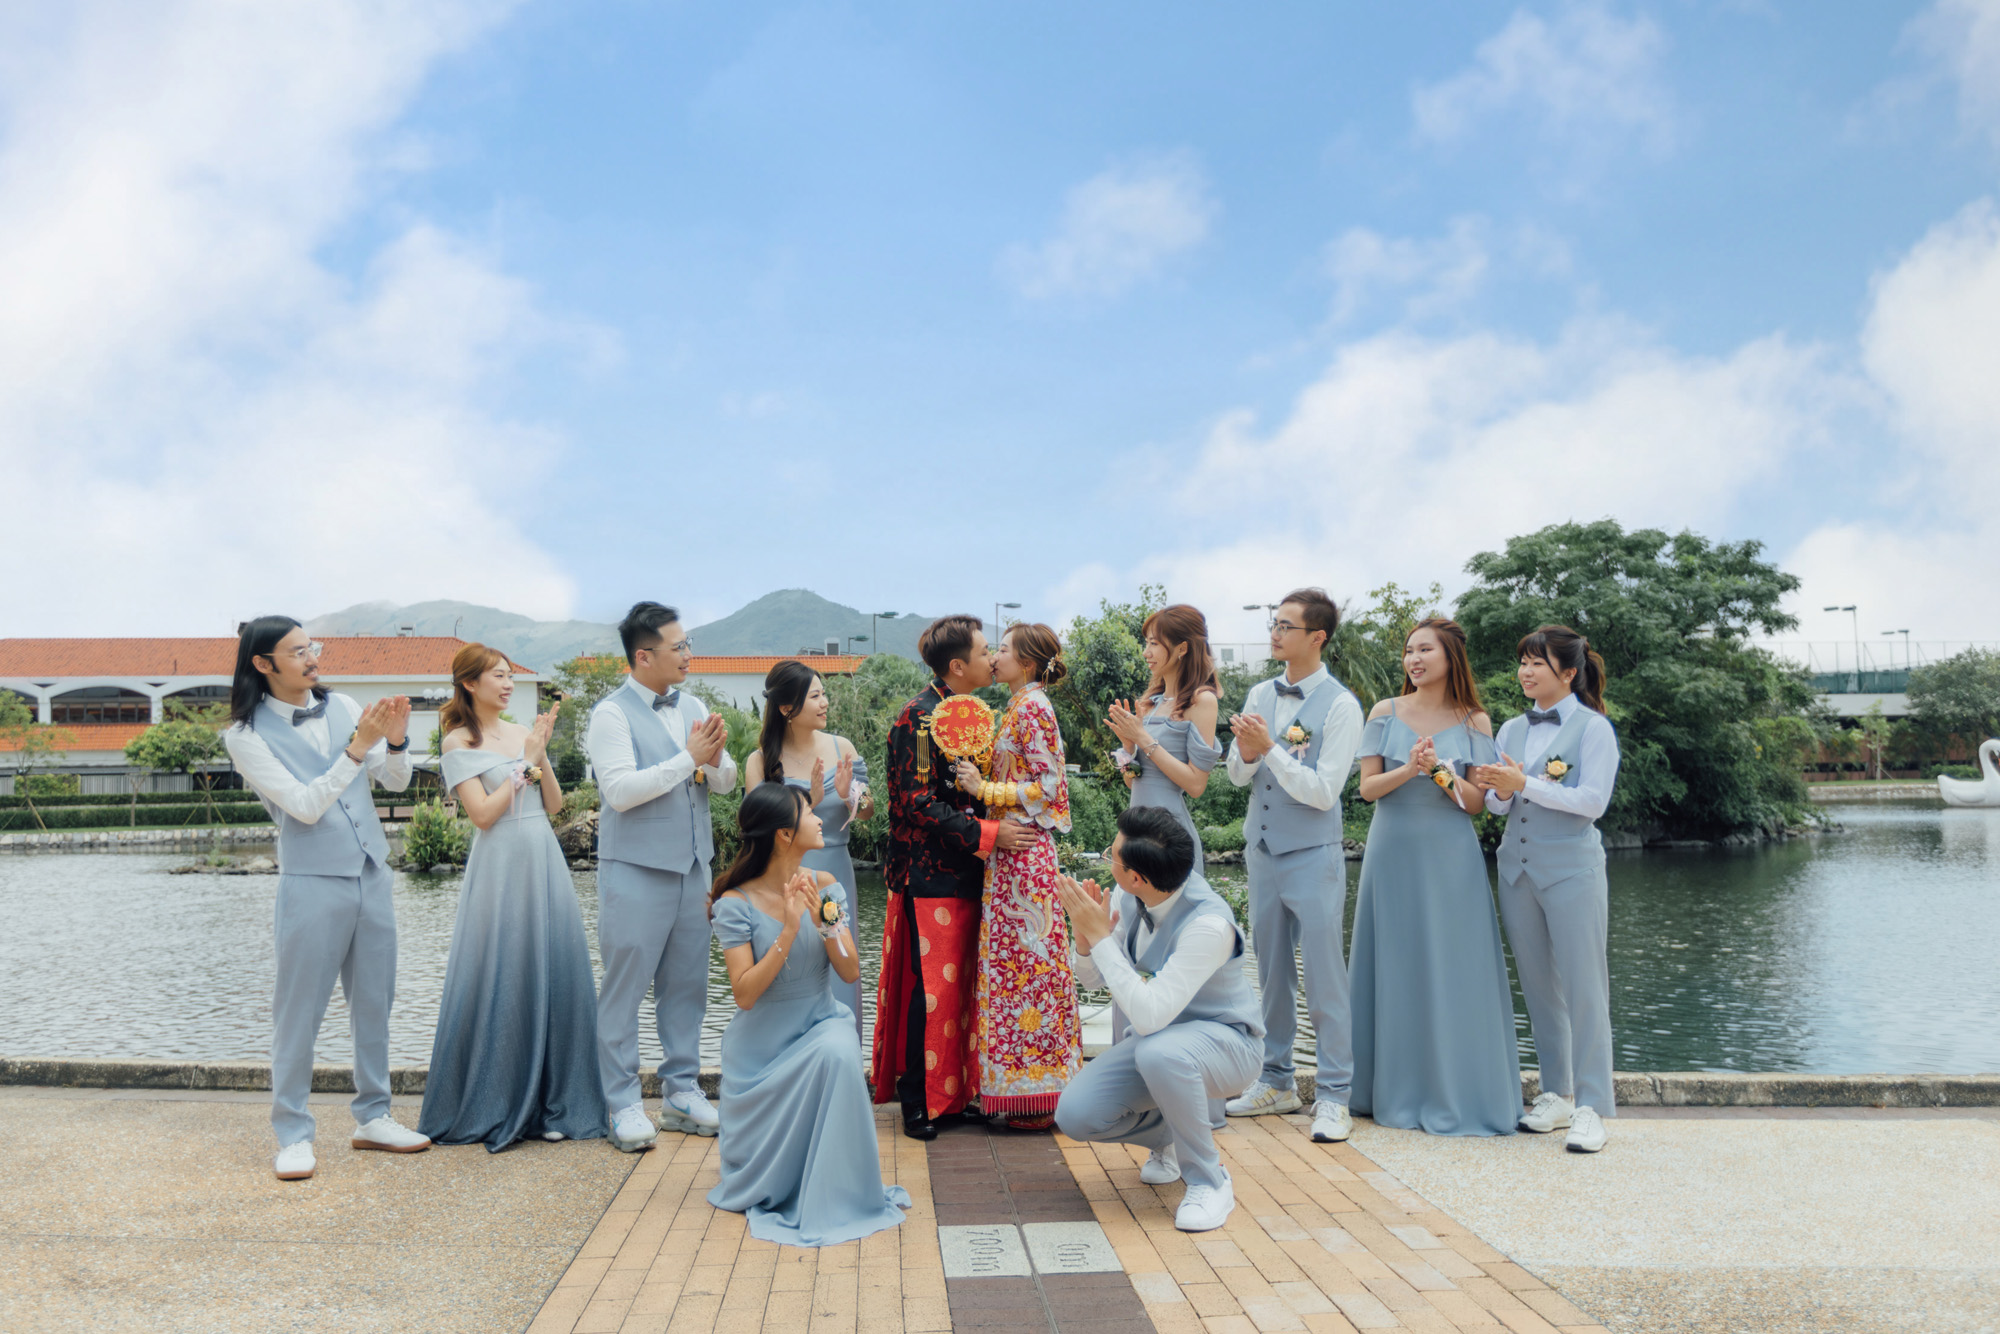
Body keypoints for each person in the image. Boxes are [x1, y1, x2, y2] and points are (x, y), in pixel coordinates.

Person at [222, 616, 429, 1180]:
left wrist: (396, 741)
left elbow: (395, 781)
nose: (312, 658)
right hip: (311, 882)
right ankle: (292, 1133)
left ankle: (374, 1116)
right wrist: (358, 749)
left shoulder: (342, 706)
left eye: (312, 646)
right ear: (263, 664)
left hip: (371, 872)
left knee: (375, 1004)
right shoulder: (244, 736)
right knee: (299, 1013)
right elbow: (305, 806)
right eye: (297, 651)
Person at [419, 644, 607, 1150]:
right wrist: (524, 764)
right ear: (469, 683)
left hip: (542, 853)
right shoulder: (458, 741)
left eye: (510, 677)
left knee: (555, 969)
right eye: (497, 676)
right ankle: (496, 1100)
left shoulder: (523, 733)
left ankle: (556, 1102)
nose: (507, 684)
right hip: (500, 862)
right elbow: (482, 815)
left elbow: (555, 804)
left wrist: (538, 754)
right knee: (504, 971)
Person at [707, 784, 911, 1246]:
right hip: (760, 1055)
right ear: (784, 834)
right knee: (833, 1054)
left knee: (839, 1051)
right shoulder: (734, 904)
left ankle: (840, 1189)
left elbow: (850, 970)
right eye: (808, 812)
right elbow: (744, 994)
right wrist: (789, 929)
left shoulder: (825, 885)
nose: (820, 819)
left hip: (821, 1023)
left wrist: (825, 922)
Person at [1053, 807, 1264, 1233]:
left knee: (1159, 1051)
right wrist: (1085, 937)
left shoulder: (1208, 924)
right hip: (1160, 1045)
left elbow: (1149, 1018)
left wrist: (1101, 936)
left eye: (1111, 856)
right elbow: (1093, 978)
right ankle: (1167, 1135)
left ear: (1137, 877)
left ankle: (1209, 1180)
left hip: (1229, 1048)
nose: (1107, 860)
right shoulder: (1128, 896)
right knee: (1075, 1115)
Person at [1350, 618, 1520, 1136]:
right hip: (1392, 849)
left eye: (1425, 649)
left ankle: (1458, 1090)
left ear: (1450, 657)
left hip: (1450, 854)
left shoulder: (1475, 720)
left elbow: (1477, 804)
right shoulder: (1384, 711)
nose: (1414, 659)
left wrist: (1440, 772)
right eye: (1409, 650)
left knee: (1454, 964)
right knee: (1394, 962)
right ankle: (1384, 1090)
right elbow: (1367, 789)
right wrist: (1409, 769)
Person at [870, 614, 1037, 1140]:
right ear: (959, 666)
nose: (992, 659)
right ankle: (918, 1102)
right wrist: (988, 833)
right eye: (985, 652)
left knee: (963, 988)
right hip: (929, 874)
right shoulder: (919, 719)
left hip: (971, 868)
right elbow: (916, 802)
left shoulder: (974, 715)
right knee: (932, 990)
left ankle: (954, 1095)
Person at [587, 601, 738, 1152]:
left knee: (687, 988)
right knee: (624, 990)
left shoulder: (693, 704)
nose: (688, 654)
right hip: (634, 871)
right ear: (643, 656)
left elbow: (723, 782)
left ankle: (682, 1092)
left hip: (694, 867)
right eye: (678, 647)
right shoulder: (610, 714)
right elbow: (620, 791)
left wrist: (715, 760)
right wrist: (688, 757)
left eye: (687, 644)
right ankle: (623, 1103)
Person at [1471, 625, 1621, 1153]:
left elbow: (1593, 802)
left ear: (1568, 672)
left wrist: (1525, 783)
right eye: (1523, 662)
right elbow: (1498, 806)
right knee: (1539, 989)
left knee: (1585, 988)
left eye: (1537, 663)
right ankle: (1557, 1093)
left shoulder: (1594, 728)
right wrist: (1498, 790)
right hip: (1517, 871)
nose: (1526, 672)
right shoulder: (1511, 728)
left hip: (1572, 872)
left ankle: (1593, 1107)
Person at [1222, 588, 1364, 1143]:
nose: (1275, 633)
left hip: (1313, 854)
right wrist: (1248, 752)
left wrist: (1270, 748)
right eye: (1274, 625)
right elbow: (1237, 775)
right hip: (1262, 851)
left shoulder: (1341, 705)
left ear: (1317, 637)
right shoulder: (1260, 691)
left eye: (1286, 626)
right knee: (1271, 973)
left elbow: (1325, 792)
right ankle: (1276, 1081)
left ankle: (1334, 1094)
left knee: (1325, 977)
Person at [954, 623, 1081, 1130]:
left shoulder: (1032, 708)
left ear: (1027, 663)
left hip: (1024, 856)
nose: (995, 657)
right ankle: (1020, 1090)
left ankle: (1039, 1095)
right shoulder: (1018, 705)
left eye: (1003, 649)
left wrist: (985, 791)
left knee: (1030, 969)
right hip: (1012, 855)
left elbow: (1048, 785)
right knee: (1017, 969)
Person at [744, 659, 874, 1044]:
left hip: (835, 873)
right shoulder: (760, 761)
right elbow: (758, 829)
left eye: (824, 694)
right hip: (783, 880)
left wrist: (849, 793)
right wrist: (810, 803)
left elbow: (868, 811)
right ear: (787, 708)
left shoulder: (841, 747)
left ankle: (842, 1054)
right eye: (815, 696)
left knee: (839, 957)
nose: (825, 702)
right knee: (791, 962)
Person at [1105, 604, 1224, 876]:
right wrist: (1128, 746)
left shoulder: (1201, 701)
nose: (1146, 652)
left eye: (1154, 644)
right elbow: (1132, 782)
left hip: (1168, 837)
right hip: (1135, 832)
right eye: (1147, 643)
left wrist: (1142, 738)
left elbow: (1196, 784)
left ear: (1182, 648)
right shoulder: (1150, 704)